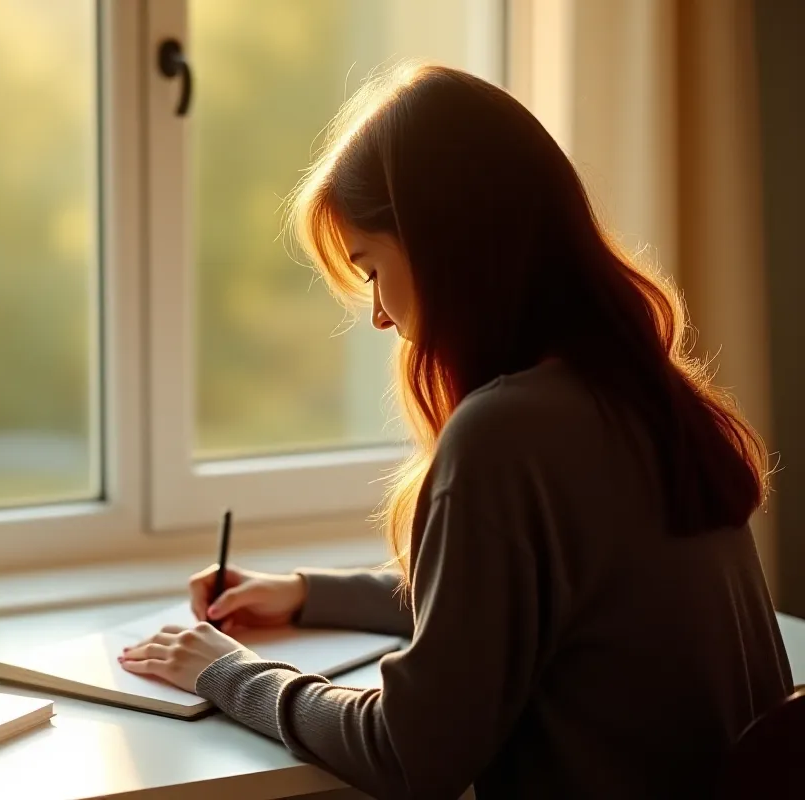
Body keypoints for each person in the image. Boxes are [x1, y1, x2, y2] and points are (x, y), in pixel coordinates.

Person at [119, 63, 791, 799]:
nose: (379, 316)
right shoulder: (641, 395)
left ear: (443, 245)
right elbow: (516, 610)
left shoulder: (507, 434)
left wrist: (223, 672)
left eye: (371, 269)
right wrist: (308, 593)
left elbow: (411, 755)